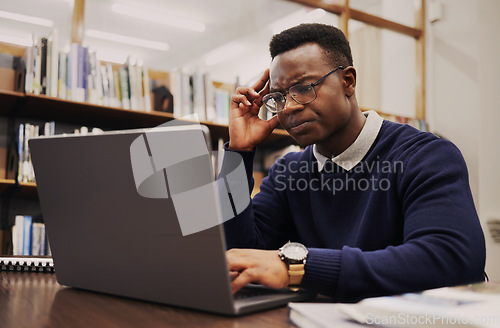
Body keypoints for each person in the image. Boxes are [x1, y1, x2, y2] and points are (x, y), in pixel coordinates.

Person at [222, 23, 485, 302]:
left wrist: (298, 267)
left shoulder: (425, 155)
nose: (290, 107)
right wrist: (240, 151)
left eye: (303, 87)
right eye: (279, 97)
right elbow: (237, 254)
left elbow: (451, 259)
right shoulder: (288, 172)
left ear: (348, 81)